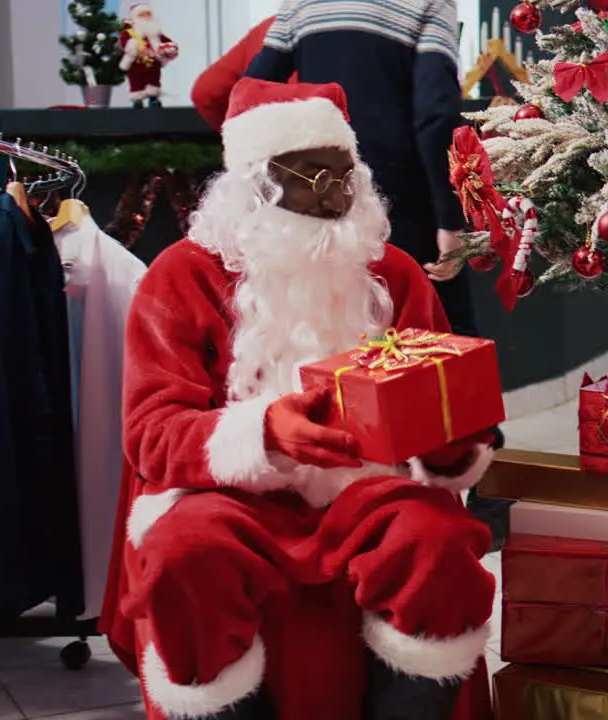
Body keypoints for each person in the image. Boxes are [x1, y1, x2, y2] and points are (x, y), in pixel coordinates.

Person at [105, 78, 496, 720]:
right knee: (186, 555)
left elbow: (448, 412)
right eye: (312, 176)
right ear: (258, 183)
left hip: (371, 494)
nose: (337, 195)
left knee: (437, 543)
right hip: (228, 499)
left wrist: (453, 442)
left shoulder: (392, 272)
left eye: (345, 174)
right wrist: (264, 434)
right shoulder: (183, 275)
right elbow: (150, 430)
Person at [242, 0, 477, 337]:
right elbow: (435, 115)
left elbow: (254, 88)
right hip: (402, 201)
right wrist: (449, 219)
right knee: (440, 338)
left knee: (331, 337)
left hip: (319, 194)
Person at [190, 16, 296, 131]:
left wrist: (237, 133)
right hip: (306, 137)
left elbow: (206, 91)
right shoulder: (312, 29)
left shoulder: (272, 26)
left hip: (262, 138)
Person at [118, 3, 179, 109]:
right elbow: (124, 43)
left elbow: (168, 42)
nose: (146, 17)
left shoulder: (156, 33)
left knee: (154, 79)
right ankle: (138, 99)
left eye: (148, 14)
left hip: (153, 62)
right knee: (136, 81)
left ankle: (153, 98)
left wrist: (169, 48)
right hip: (136, 63)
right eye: (142, 14)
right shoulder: (129, 33)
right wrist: (132, 47)